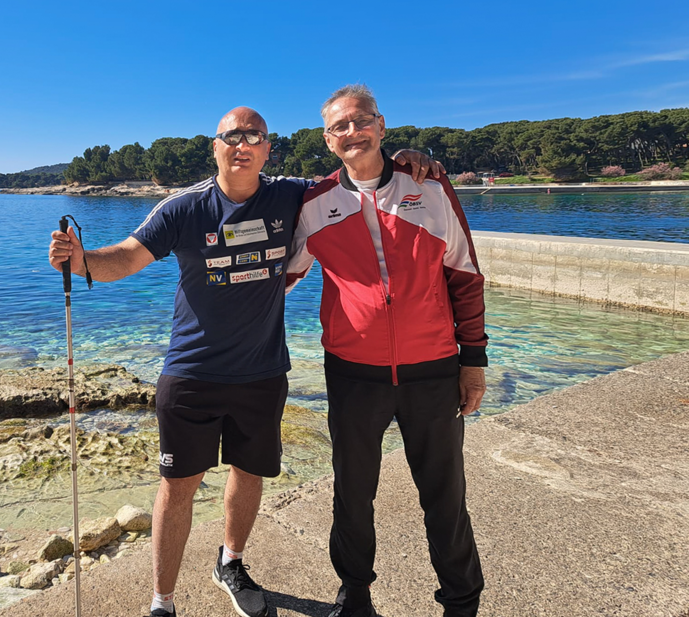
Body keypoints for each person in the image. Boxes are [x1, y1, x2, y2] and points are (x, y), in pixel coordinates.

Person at [49, 106, 438, 617]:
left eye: (254, 136)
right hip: (191, 374)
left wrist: (408, 159)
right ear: (216, 146)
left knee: (248, 472)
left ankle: (230, 563)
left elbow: (353, 173)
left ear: (267, 148)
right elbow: (128, 254)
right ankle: (162, 601)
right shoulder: (183, 208)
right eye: (232, 136)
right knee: (178, 486)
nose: (243, 144)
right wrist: (81, 260)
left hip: (262, 373)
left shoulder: (290, 194)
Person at [286, 84, 488, 617]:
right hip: (353, 373)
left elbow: (466, 276)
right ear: (328, 140)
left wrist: (474, 361)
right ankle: (355, 596)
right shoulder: (314, 203)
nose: (351, 133)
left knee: (444, 497)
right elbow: (279, 276)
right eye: (339, 127)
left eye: (360, 122)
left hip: (433, 369)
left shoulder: (431, 185)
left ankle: (462, 602)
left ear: (380, 125)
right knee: (353, 496)